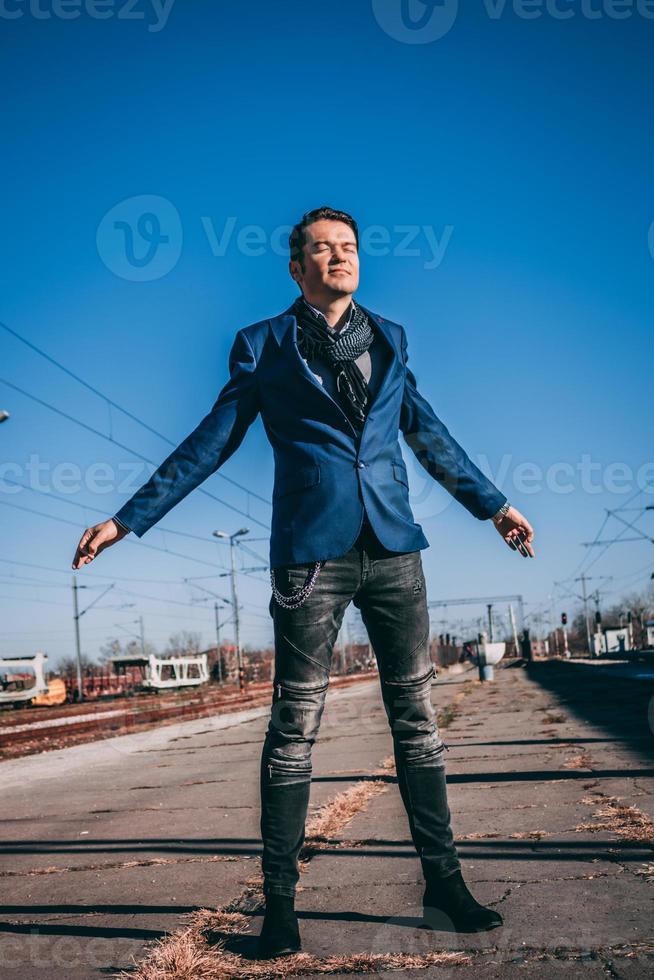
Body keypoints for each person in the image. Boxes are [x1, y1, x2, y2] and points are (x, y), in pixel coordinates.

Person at [72, 205, 535, 960]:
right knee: (294, 731)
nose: (338, 258)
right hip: (309, 558)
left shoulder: (390, 337)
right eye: (322, 250)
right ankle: (280, 912)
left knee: (416, 723)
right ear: (297, 268)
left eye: (348, 248)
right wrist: (128, 520)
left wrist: (496, 507)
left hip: (395, 552)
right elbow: (210, 442)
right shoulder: (263, 346)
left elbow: (427, 431)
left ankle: (444, 886)